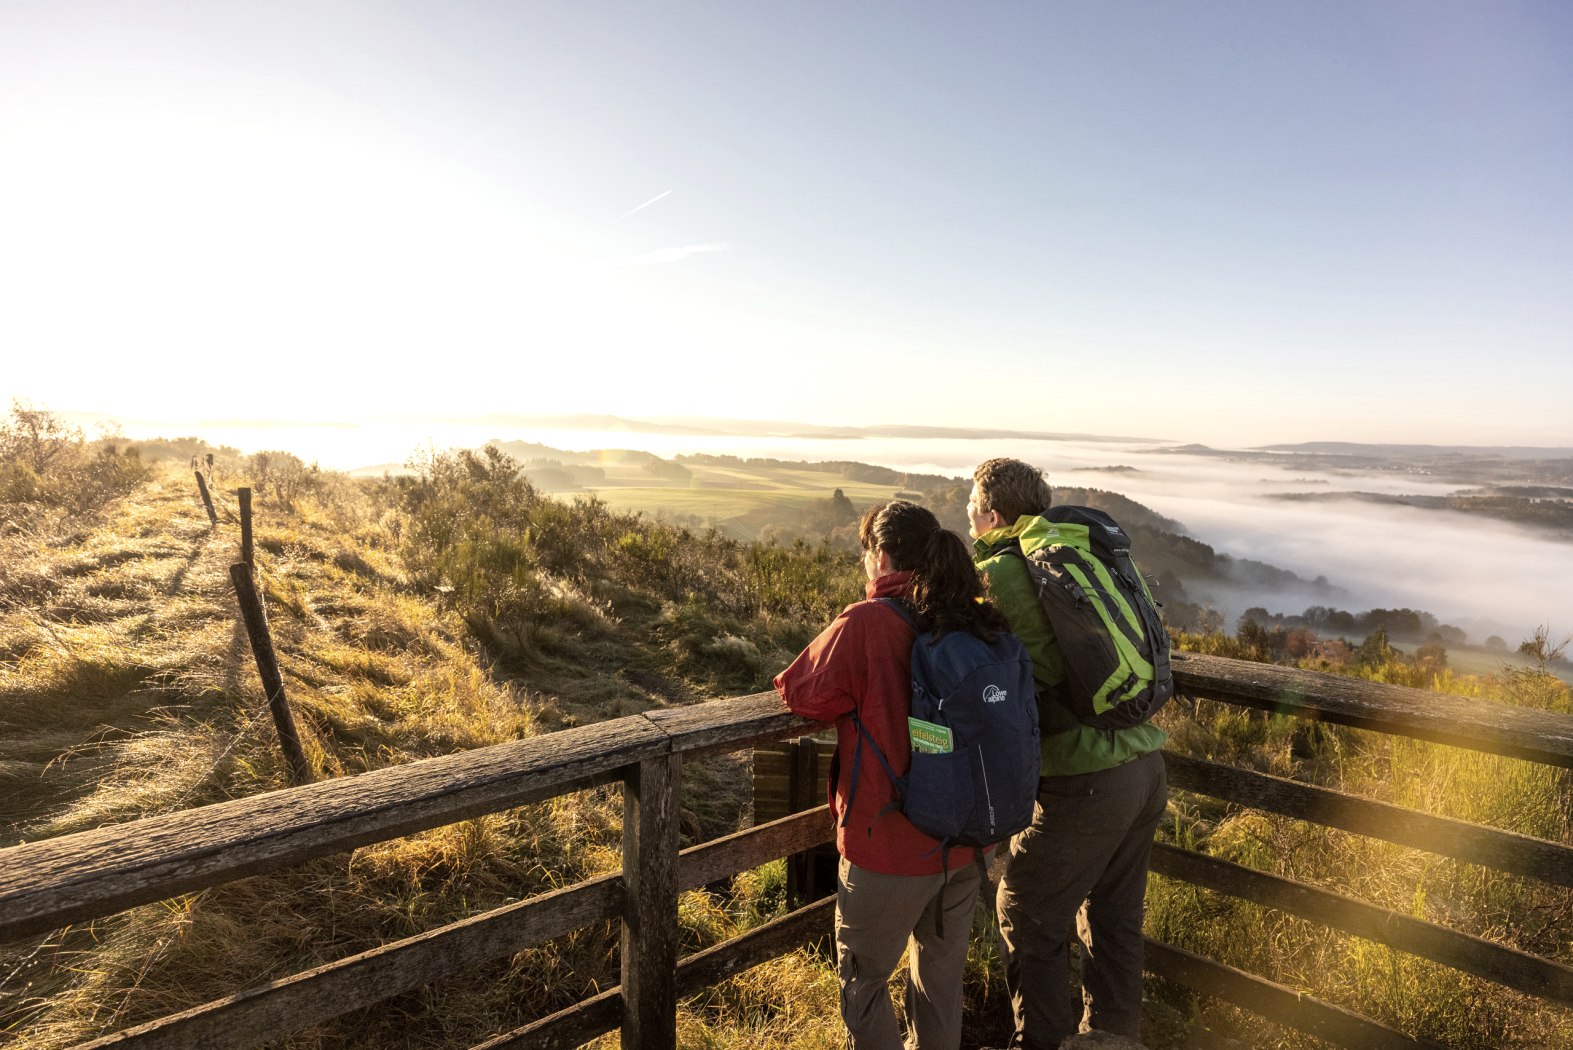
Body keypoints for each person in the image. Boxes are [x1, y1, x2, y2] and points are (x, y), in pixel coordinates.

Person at [775, 499, 1012, 1050]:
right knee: (938, 983)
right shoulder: (972, 615)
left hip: (891, 845)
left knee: (862, 984)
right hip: (965, 842)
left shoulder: (868, 623)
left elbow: (801, 693)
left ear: (880, 556)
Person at [967, 458, 1169, 1049]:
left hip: (1087, 780)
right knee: (1114, 919)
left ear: (994, 514)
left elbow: (1043, 669)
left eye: (973, 512)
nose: (971, 523)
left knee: (1027, 911)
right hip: (1144, 766)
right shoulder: (1075, 553)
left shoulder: (1005, 568)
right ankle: (1110, 1038)